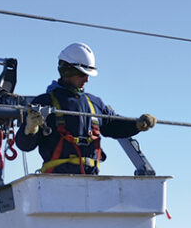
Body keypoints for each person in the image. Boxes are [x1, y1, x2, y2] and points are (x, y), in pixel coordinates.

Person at [16, 42, 157, 175]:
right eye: (83, 74)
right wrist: (30, 129)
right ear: (67, 71)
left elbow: (113, 125)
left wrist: (136, 124)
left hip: (91, 181)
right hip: (56, 183)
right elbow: (25, 145)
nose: (87, 79)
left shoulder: (94, 103)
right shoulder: (44, 103)